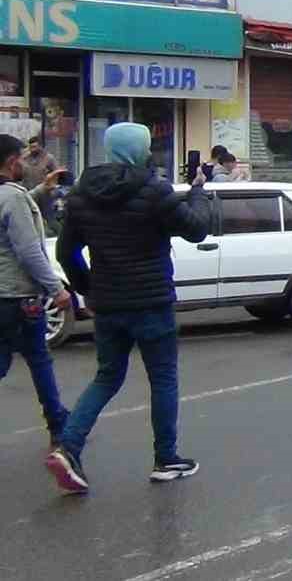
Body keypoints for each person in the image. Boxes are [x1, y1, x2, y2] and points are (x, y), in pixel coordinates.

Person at [46, 122, 212, 495]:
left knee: (107, 376)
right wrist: (199, 190)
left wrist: (88, 290)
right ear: (141, 149)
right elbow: (197, 229)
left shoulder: (81, 195)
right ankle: (166, 459)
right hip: (151, 301)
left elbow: (66, 252)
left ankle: (68, 447)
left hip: (108, 303)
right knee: (163, 379)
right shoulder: (154, 190)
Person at [0, 134, 73, 450]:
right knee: (39, 360)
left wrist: (43, 189)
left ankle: (58, 419)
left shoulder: (10, 196)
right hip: (19, 297)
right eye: (20, 158)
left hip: (2, 296)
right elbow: (29, 250)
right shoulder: (13, 198)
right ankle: (58, 425)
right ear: (11, 161)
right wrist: (56, 288)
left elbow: (12, 207)